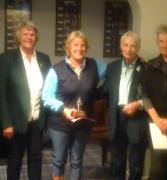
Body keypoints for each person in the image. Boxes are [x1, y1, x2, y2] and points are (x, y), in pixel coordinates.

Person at [42, 30, 106, 180]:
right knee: (59, 159)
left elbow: (115, 71)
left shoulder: (95, 65)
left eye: (83, 45)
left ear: (86, 48)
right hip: (59, 124)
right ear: (68, 47)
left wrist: (135, 60)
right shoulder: (56, 70)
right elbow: (46, 96)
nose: (79, 48)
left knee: (77, 160)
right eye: (75, 45)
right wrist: (64, 109)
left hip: (83, 124)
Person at [0, 20, 51, 180]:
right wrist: (6, 122)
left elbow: (49, 89)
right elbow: (1, 92)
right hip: (15, 123)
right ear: (18, 37)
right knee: (15, 159)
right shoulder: (6, 59)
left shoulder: (44, 59)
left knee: (36, 159)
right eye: (25, 33)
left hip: (37, 121)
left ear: (36, 37)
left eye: (32, 34)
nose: (29, 37)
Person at [103, 31, 148, 180]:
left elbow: (151, 96)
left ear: (138, 48)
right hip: (116, 116)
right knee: (117, 161)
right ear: (121, 47)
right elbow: (104, 89)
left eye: (133, 46)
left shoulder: (146, 68)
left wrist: (139, 104)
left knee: (136, 162)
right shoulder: (112, 67)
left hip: (137, 118)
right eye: (126, 45)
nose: (129, 49)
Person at [142, 23, 167, 180]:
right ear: (158, 43)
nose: (165, 45)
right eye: (161, 41)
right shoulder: (150, 66)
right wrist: (158, 121)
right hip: (156, 126)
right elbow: (145, 96)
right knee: (158, 171)